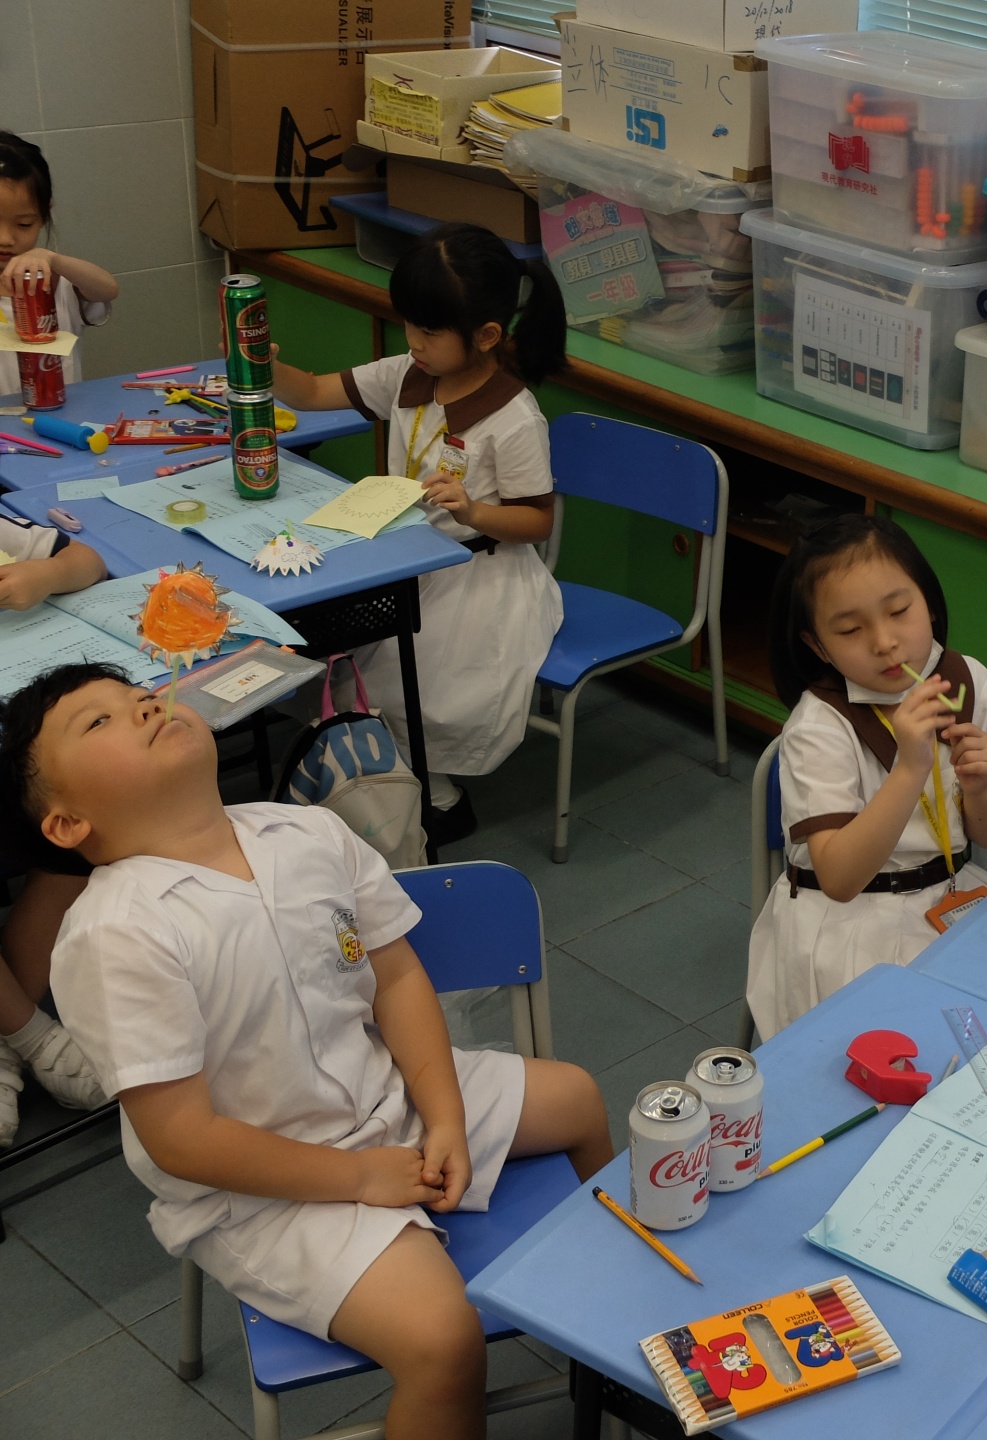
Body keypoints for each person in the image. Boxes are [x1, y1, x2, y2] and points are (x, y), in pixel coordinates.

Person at [1, 663, 614, 1440]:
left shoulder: (307, 832)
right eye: (99, 721)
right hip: (265, 1190)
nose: (145, 705)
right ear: (66, 824)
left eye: (139, 694)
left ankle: (611, 1314)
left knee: (577, 1098)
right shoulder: (114, 934)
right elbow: (182, 1139)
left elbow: (397, 978)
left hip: (384, 1094)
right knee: (443, 1341)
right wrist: (359, 1177)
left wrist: (444, 1116)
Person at [270, 223, 567, 844]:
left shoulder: (515, 417)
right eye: (409, 324)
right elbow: (315, 391)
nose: (413, 341)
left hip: (480, 576)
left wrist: (475, 511)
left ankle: (436, 799)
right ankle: (377, 779)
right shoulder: (411, 373)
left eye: (429, 330)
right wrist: (263, 365)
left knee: (408, 689)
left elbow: (537, 520)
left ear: (486, 335)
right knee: (333, 656)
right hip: (406, 558)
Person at [745, 515, 987, 1037]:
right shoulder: (818, 724)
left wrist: (980, 788)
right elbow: (840, 880)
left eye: (899, 611)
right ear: (817, 645)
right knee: (888, 1055)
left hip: (947, 895)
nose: (884, 641)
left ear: (930, 603)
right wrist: (911, 766)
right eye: (850, 630)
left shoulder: (967, 682)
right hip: (847, 924)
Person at [0, 512, 112, 1144]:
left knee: (75, 823)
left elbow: (87, 561)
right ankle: (32, 1037)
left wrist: (44, 576)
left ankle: (10, 1040)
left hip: (14, 733)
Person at [0, 131, 117, 394]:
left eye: (24, 224)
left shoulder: (53, 280)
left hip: (61, 414)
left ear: (44, 215)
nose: (5, 239)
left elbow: (108, 289)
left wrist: (53, 259)